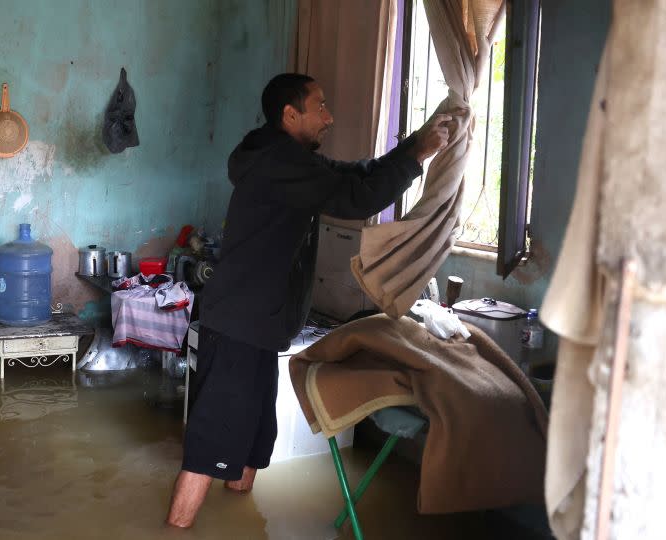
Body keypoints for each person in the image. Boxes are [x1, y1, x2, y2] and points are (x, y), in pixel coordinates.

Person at [165, 73, 452, 528]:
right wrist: (418, 153)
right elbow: (357, 197)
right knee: (211, 445)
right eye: (320, 106)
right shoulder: (279, 161)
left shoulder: (287, 159)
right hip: (239, 325)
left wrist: (414, 144)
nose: (330, 116)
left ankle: (239, 519)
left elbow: (353, 175)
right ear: (290, 114)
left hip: (259, 326)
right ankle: (174, 531)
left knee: (257, 438)